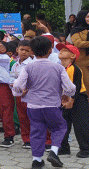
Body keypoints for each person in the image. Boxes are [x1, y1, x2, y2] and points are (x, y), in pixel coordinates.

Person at [12, 36, 76, 169]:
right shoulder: (57, 68)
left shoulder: (28, 67)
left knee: (36, 130)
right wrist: (66, 95)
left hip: (33, 106)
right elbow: (70, 87)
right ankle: (53, 151)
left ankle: (36, 160)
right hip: (52, 105)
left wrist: (20, 93)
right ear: (50, 50)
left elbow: (17, 86)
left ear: (32, 51)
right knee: (60, 127)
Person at [56, 43, 89, 158]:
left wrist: (72, 99)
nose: (61, 52)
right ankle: (64, 147)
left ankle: (85, 149)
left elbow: (77, 85)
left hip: (78, 98)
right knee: (63, 124)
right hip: (65, 98)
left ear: (73, 56)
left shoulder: (74, 68)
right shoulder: (61, 68)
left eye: (65, 50)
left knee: (81, 125)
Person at [10, 40, 33, 149]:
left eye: (27, 50)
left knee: (31, 118)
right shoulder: (15, 64)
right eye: (21, 49)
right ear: (17, 50)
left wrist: (27, 88)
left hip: (30, 95)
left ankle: (35, 138)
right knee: (22, 117)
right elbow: (12, 77)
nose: (23, 52)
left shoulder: (32, 64)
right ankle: (26, 139)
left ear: (31, 52)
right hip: (18, 95)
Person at [71, 10, 89, 96]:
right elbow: (78, 43)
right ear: (82, 18)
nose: (88, 19)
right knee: (86, 85)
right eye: (87, 17)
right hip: (82, 62)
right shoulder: (75, 30)